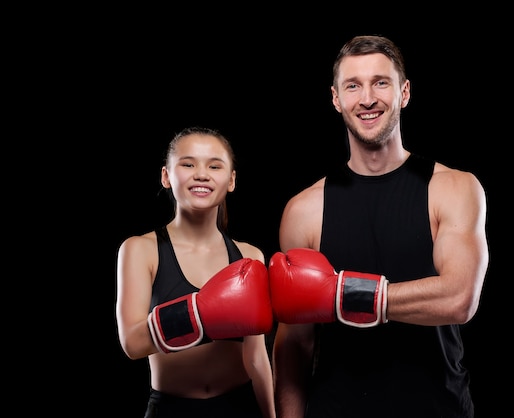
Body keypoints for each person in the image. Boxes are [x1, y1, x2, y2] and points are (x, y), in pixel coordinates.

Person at [269, 35, 489, 417]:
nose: (367, 98)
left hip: (439, 409)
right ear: (336, 99)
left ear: (404, 92)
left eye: (380, 83)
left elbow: (458, 298)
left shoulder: (453, 187)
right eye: (353, 86)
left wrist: (340, 295)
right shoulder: (304, 211)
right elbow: (294, 344)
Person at [116, 126, 276, 418]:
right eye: (188, 164)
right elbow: (133, 343)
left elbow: (256, 359)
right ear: (166, 176)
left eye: (215, 166)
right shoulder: (140, 249)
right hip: (171, 408)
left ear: (231, 180)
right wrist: (204, 313)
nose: (201, 174)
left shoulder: (250, 256)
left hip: (239, 407)